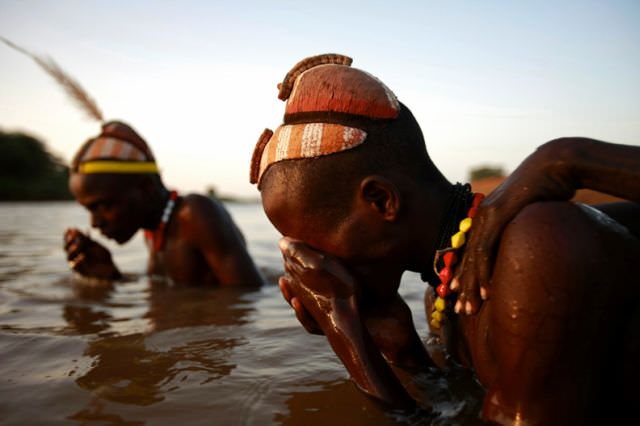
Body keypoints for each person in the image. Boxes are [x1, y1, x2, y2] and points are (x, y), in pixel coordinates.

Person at [250, 54, 640, 424]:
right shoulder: (440, 295)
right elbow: (456, 413)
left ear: (381, 200)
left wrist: (345, 334)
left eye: (310, 245)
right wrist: (399, 348)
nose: (309, 265)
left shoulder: (533, 246)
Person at [65, 120, 263, 287]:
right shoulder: (154, 230)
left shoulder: (195, 214)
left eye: (104, 206)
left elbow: (247, 296)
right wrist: (111, 276)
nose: (94, 223)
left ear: (146, 188)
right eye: (89, 210)